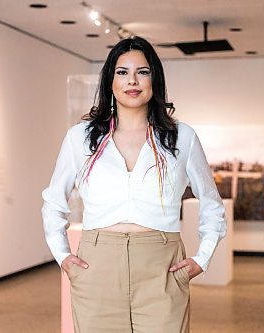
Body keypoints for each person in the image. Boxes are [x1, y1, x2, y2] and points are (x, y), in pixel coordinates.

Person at [42, 36, 226, 333]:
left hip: (161, 266)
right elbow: (53, 203)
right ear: (110, 81)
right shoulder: (81, 138)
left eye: (142, 72)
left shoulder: (182, 137)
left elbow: (211, 203)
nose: (133, 81)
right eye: (122, 72)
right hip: (97, 266)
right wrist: (63, 256)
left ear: (155, 79)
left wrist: (202, 258)